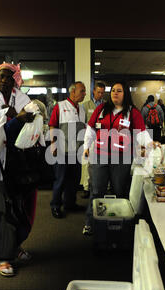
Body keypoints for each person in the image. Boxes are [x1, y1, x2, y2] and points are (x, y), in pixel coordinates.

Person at [0, 63, 38, 277]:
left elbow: (34, 120)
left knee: (20, 208)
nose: (3, 80)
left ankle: (14, 245)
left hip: (19, 162)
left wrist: (25, 119)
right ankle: (2, 256)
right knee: (1, 210)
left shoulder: (20, 97)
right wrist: (15, 120)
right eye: (0, 76)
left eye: (7, 77)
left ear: (14, 80)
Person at [82, 81, 157, 235]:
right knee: (97, 192)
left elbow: (141, 133)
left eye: (119, 91)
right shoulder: (101, 109)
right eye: (113, 90)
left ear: (125, 94)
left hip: (121, 159)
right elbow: (90, 129)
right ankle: (91, 223)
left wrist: (150, 143)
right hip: (100, 157)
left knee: (120, 191)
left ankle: (118, 224)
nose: (115, 93)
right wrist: (86, 147)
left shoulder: (132, 112)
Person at [48, 81, 87, 218]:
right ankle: (55, 205)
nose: (84, 94)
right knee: (60, 179)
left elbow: (85, 129)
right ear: (73, 91)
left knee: (74, 179)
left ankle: (70, 203)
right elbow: (52, 125)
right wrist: (53, 144)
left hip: (76, 151)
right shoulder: (60, 106)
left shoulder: (82, 109)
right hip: (62, 150)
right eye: (82, 91)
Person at [80, 82, 105, 199]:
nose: (100, 94)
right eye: (98, 92)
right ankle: (86, 187)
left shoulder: (106, 106)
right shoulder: (86, 106)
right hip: (89, 139)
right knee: (87, 164)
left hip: (102, 139)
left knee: (100, 164)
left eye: (102, 92)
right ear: (93, 91)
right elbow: (81, 122)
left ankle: (100, 187)